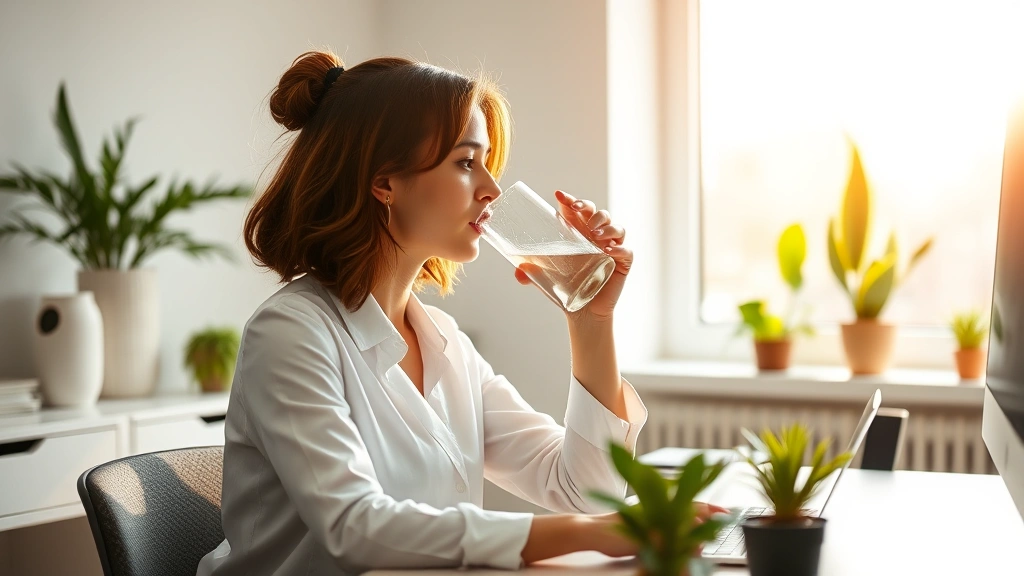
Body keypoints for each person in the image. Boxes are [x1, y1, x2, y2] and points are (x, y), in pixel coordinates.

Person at [196, 50, 722, 576]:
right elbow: (353, 528)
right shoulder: (290, 334)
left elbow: (586, 490)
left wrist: (591, 318)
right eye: (466, 162)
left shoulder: (442, 342)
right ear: (385, 182)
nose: (492, 189)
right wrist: (597, 535)